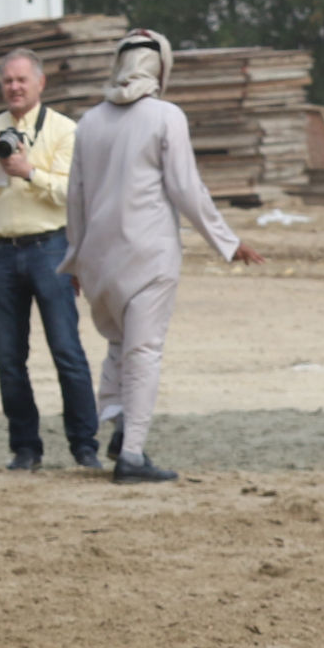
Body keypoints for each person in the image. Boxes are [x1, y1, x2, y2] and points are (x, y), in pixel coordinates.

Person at [63, 29, 263, 483]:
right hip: (148, 256)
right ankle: (132, 454)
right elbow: (186, 188)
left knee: (119, 347)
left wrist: (74, 258)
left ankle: (119, 428)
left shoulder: (89, 122)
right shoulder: (166, 116)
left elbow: (75, 197)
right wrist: (227, 242)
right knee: (144, 351)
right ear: (161, 67)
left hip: (98, 260)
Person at [0, 51, 96, 471]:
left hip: (51, 249)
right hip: (3, 254)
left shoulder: (64, 131)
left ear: (40, 83)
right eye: (7, 81)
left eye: (21, 80)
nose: (14, 88)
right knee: (8, 357)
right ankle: (25, 448)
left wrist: (28, 171)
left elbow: (74, 192)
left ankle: (84, 445)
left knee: (66, 351)